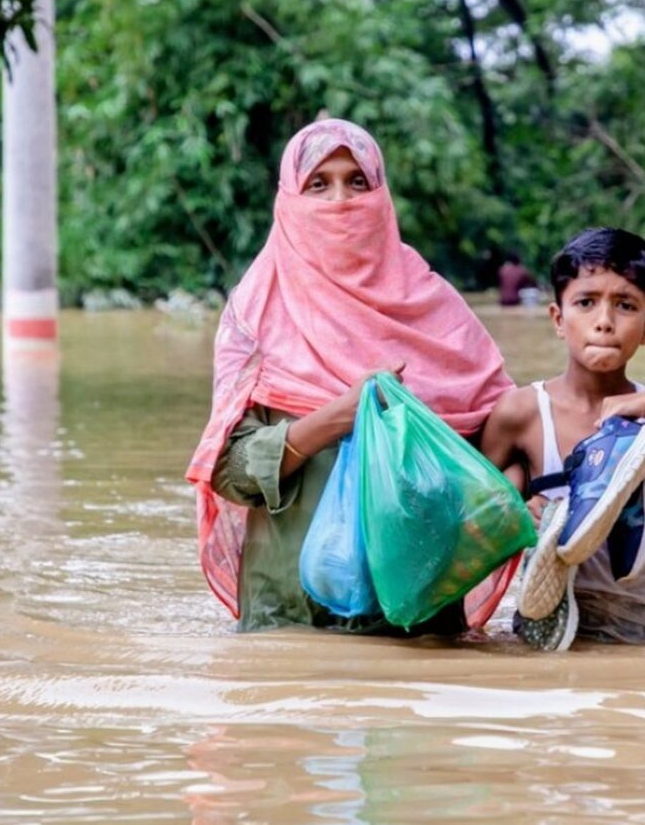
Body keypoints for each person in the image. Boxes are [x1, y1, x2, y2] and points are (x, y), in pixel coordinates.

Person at [185, 119, 517, 634]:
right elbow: (230, 472)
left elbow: (503, 443)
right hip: (290, 611)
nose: (340, 200)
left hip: (417, 616)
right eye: (319, 183)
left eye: (356, 181)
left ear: (381, 195)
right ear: (290, 199)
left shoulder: (438, 312)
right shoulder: (255, 315)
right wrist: (338, 416)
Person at [480, 227, 645, 650]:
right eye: (586, 303)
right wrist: (514, 516)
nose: (604, 322)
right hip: (544, 633)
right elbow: (469, 527)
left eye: (625, 306)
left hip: (640, 635)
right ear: (559, 319)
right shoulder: (522, 412)